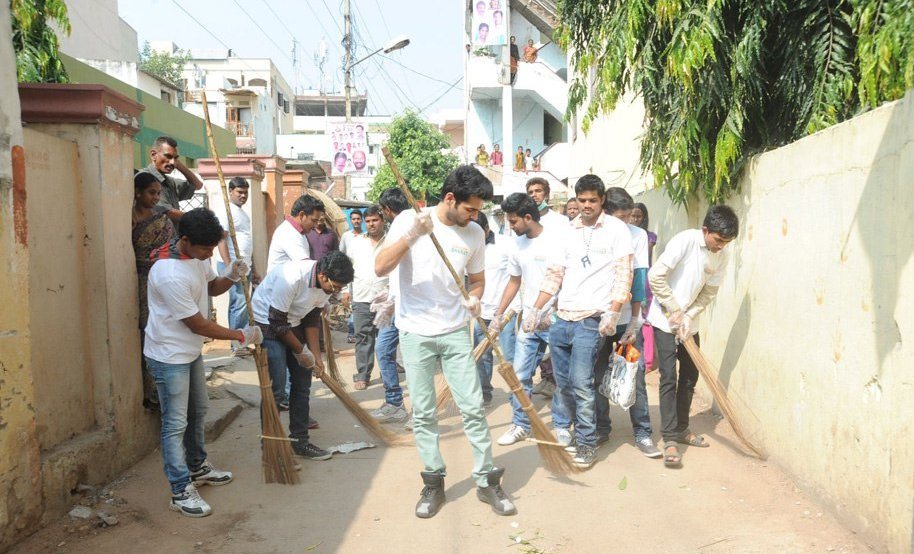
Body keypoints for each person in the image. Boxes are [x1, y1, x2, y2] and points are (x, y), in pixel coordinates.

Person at [375, 165, 516, 519]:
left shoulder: (474, 235)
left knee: (472, 408)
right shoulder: (410, 218)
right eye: (470, 209)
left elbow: (477, 280)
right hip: (414, 331)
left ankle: (486, 480)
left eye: (478, 210)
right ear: (450, 198)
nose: (474, 216)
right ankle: (433, 481)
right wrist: (412, 236)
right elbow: (380, 266)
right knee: (423, 412)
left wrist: (475, 298)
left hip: (455, 331)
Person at [144, 208, 263, 517]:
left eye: (213, 248)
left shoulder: (198, 257)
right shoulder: (168, 272)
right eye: (206, 249)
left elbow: (211, 287)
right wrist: (241, 335)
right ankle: (180, 490)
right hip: (169, 355)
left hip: (190, 351)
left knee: (198, 412)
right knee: (175, 423)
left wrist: (232, 275)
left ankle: (197, 467)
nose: (211, 253)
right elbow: (198, 324)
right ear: (185, 240)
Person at [527, 175, 633, 468]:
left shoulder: (616, 230)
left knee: (582, 383)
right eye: (582, 200)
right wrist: (536, 309)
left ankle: (587, 442)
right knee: (563, 383)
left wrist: (613, 312)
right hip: (563, 319)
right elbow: (554, 274)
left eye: (592, 201)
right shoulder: (566, 231)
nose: (586, 206)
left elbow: (624, 275)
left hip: (591, 320)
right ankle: (571, 430)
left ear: (602, 201)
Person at [648, 205, 739, 468]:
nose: (721, 246)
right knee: (668, 377)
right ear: (705, 230)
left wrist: (688, 315)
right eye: (718, 240)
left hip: (689, 324)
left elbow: (709, 293)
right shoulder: (685, 241)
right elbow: (656, 277)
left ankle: (682, 428)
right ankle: (669, 439)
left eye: (727, 242)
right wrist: (674, 309)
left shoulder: (721, 256)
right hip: (664, 320)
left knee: (690, 376)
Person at [252, 251, 353, 461]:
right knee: (277, 388)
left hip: (294, 320)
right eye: (337, 287)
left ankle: (300, 441)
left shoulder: (326, 285)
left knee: (302, 383)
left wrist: (315, 357)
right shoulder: (292, 278)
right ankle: (270, 446)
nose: (338, 291)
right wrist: (301, 350)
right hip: (268, 323)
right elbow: (277, 322)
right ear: (323, 275)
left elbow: (312, 318)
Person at [489, 193, 570, 445]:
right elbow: (515, 281)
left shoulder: (557, 241)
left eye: (513, 222)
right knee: (521, 374)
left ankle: (562, 425)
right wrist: (499, 314)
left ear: (528, 217)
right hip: (528, 320)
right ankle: (520, 424)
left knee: (561, 376)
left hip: (556, 319)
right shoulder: (516, 245)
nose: (510, 227)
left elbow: (564, 280)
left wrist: (549, 311)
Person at [591, 187, 660, 457]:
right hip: (597, 321)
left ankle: (642, 432)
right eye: (621, 217)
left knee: (635, 375)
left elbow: (639, 279)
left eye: (629, 217)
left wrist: (633, 322)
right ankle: (601, 428)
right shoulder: (594, 234)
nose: (626, 223)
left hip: (625, 325)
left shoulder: (637, 236)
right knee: (596, 374)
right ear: (606, 212)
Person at [341, 206, 402, 397]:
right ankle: (363, 375)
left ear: (382, 220)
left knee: (386, 340)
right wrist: (345, 290)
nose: (371, 224)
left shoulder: (392, 242)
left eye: (374, 220)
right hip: (361, 297)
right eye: (368, 221)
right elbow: (346, 268)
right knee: (363, 337)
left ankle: (387, 375)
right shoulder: (356, 243)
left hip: (386, 299)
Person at [132, 172, 176, 410]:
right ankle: (151, 392)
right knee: (145, 332)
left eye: (158, 193)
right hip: (138, 281)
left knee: (163, 330)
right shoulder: (126, 216)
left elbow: (169, 250)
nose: (156, 197)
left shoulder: (161, 220)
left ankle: (165, 391)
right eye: (152, 192)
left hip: (161, 279)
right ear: (137, 192)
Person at [370, 187, 412, 424]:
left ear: (386, 210)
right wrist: (390, 292)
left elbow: (384, 265)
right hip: (397, 301)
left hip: (407, 306)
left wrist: (395, 298)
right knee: (384, 350)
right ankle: (395, 402)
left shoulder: (403, 224)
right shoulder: (405, 223)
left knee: (410, 358)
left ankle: (412, 408)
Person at [471, 212, 519, 407]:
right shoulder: (469, 247)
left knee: (509, 355)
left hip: (506, 311)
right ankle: (484, 393)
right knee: (481, 355)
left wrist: (512, 308)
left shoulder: (506, 245)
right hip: (482, 311)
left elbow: (517, 277)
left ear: (486, 229)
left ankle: (516, 395)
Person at [215, 177, 260, 358]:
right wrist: (229, 267)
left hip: (244, 266)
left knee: (240, 304)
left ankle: (238, 341)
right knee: (239, 304)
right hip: (234, 265)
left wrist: (253, 268)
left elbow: (247, 244)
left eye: (245, 192)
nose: (243, 196)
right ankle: (237, 344)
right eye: (239, 192)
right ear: (230, 192)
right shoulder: (227, 211)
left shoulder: (242, 213)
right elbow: (221, 240)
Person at [137, 136, 204, 226]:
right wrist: (199, 220)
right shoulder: (144, 177)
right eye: (168, 156)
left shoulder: (169, 181)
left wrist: (178, 165)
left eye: (175, 158)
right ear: (153, 155)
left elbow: (197, 185)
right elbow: (167, 212)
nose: (172, 162)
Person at [631, 202, 658, 371]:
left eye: (638, 216)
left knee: (644, 320)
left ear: (644, 217)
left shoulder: (648, 237)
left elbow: (645, 261)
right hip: (627, 277)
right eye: (632, 215)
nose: (635, 219)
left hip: (643, 278)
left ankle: (647, 361)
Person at [267, 195, 325, 272]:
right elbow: (305, 264)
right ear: (301, 215)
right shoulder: (288, 233)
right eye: (313, 221)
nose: (315, 225)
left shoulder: (299, 232)